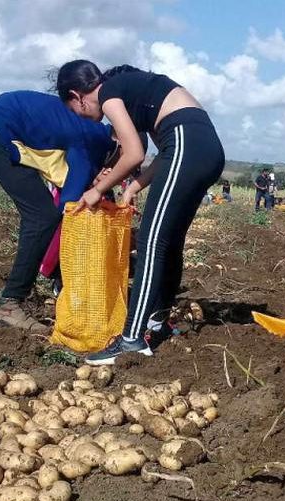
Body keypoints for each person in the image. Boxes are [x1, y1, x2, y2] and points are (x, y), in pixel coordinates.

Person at [56, 60, 225, 365]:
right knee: (169, 241)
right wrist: (133, 187)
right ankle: (157, 322)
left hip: (186, 146)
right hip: (205, 150)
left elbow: (135, 152)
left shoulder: (107, 93)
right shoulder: (136, 92)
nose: (84, 117)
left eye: (74, 109)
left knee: (150, 242)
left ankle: (131, 339)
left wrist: (97, 189)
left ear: (77, 96)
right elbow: (165, 153)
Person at [0, 90, 117, 334]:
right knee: (42, 216)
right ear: (118, 147)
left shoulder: (93, 131)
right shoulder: (90, 140)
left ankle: (52, 278)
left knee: (46, 215)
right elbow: (69, 204)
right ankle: (9, 304)